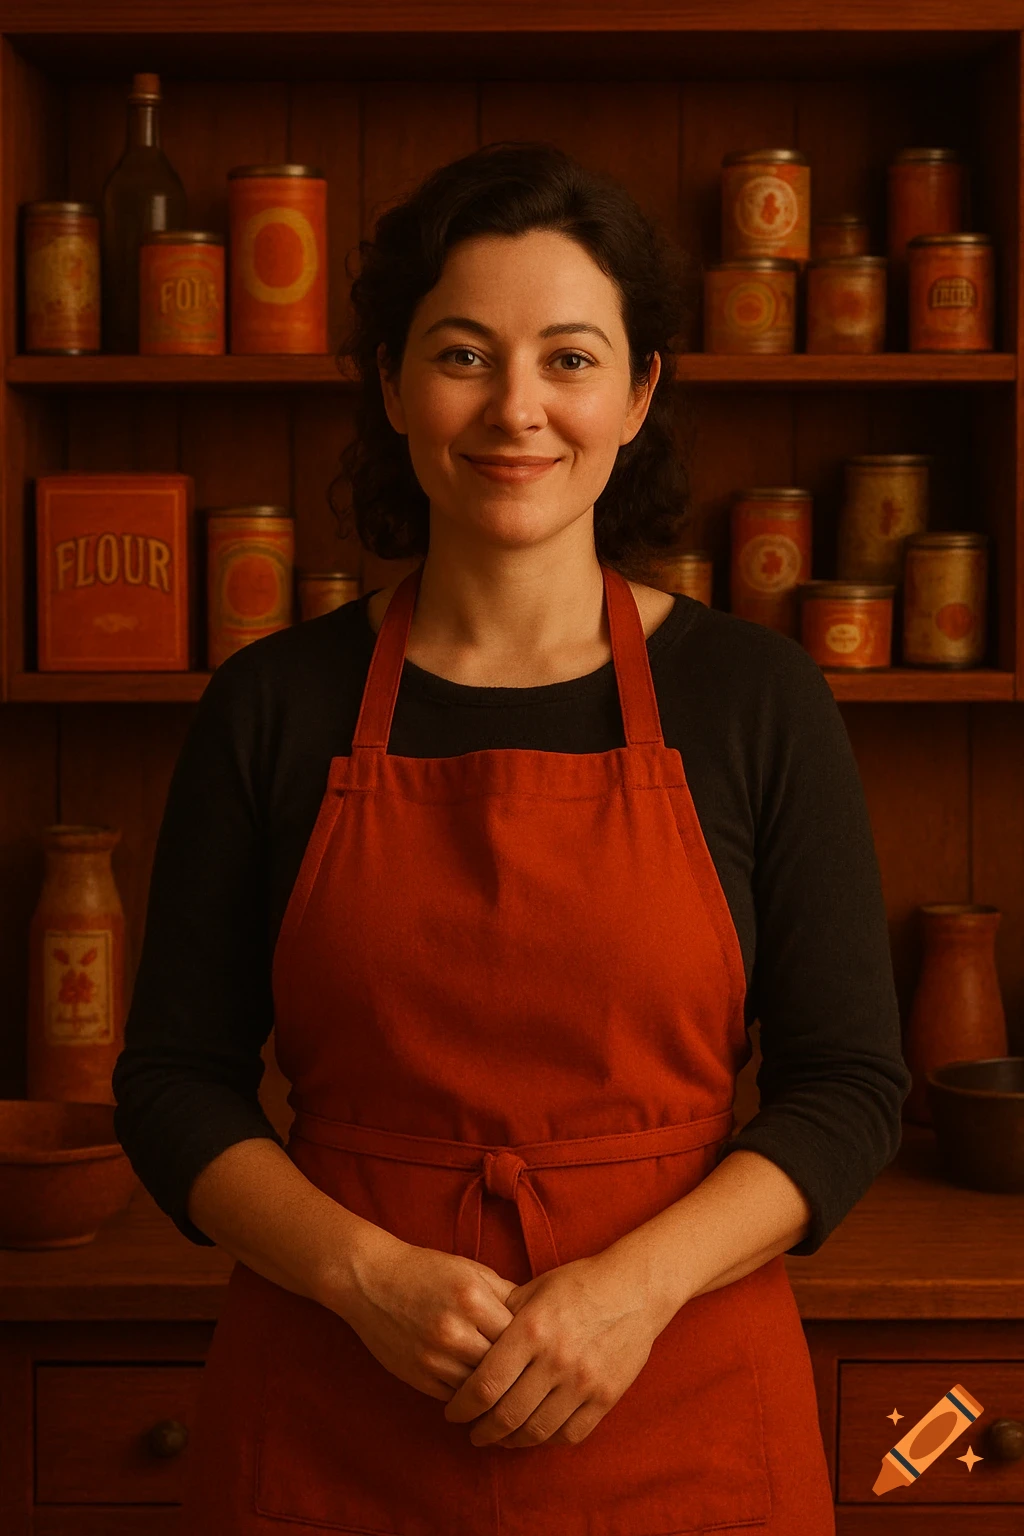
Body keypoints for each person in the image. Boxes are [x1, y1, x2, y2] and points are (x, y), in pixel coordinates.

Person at [113, 140, 911, 1536]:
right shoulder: (274, 705)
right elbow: (175, 1084)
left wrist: (630, 1290)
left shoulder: (756, 698)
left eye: (571, 359)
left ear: (641, 391)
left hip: (681, 1404)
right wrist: (365, 1279)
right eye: (465, 354)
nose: (517, 410)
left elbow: (848, 1087)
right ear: (391, 382)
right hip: (330, 1410)